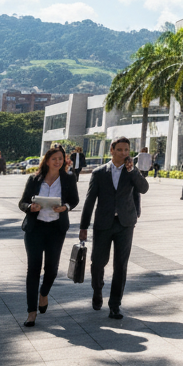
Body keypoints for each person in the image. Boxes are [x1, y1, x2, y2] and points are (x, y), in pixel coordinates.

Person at [78, 136, 149, 320]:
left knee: (121, 265)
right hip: (103, 224)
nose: (123, 153)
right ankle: (97, 290)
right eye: (119, 150)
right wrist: (83, 226)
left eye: (126, 150)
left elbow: (143, 189)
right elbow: (89, 201)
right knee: (97, 263)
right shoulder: (99, 173)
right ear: (112, 150)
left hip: (125, 224)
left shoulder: (132, 171)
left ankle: (115, 305)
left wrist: (133, 172)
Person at [17, 144, 79, 327]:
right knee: (33, 269)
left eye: (60, 159)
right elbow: (22, 202)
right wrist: (30, 207)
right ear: (47, 160)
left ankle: (43, 294)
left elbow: (74, 200)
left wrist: (65, 207)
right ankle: (31, 312)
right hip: (35, 229)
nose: (57, 162)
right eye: (54, 159)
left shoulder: (68, 178)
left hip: (56, 229)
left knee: (52, 269)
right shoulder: (34, 179)